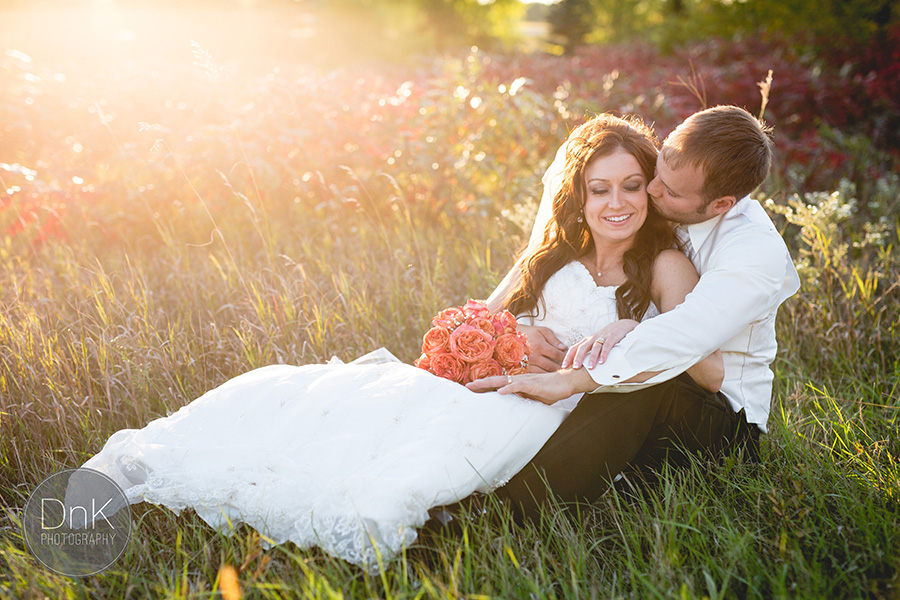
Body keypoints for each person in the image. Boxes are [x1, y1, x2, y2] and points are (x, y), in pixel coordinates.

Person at [75, 113, 717, 569]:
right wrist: (518, 334)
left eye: (631, 185)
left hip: (570, 409)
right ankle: (173, 472)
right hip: (503, 386)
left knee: (425, 459)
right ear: (577, 195)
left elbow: (693, 351)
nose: (616, 202)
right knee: (339, 406)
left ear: (650, 189)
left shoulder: (663, 265)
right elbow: (474, 323)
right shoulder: (549, 257)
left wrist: (637, 327)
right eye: (599, 188)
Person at [464, 105, 801, 523]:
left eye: (667, 192)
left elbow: (698, 359)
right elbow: (483, 313)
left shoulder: (752, 255)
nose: (654, 192)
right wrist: (514, 339)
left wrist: (577, 373)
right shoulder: (650, 197)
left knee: (644, 382)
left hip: (720, 417)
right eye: (657, 172)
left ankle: (508, 515)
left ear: (720, 204)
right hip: (637, 390)